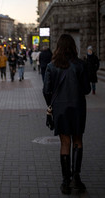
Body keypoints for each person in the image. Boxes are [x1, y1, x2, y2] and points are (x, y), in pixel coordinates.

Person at [43, 34, 91, 195]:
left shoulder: (51, 66)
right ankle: (76, 178)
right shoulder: (80, 65)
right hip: (78, 108)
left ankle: (65, 182)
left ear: (58, 47)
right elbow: (86, 89)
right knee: (78, 140)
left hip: (60, 110)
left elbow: (46, 90)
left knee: (65, 143)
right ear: (73, 47)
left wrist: (52, 105)